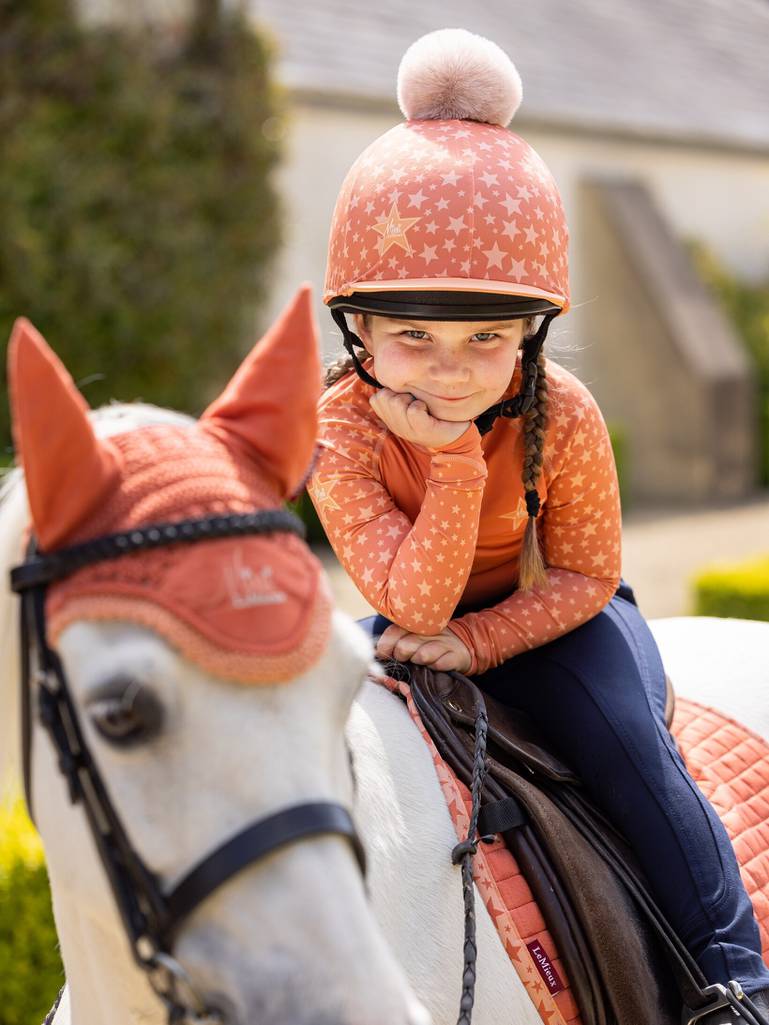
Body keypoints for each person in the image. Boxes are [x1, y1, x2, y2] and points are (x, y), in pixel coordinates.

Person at [307, 27, 769, 1023]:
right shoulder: (337, 428)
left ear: (530, 330)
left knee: (631, 754)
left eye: (487, 338)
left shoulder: (562, 411)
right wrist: (451, 463)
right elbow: (408, 598)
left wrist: (471, 615)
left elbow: (587, 574)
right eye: (413, 337)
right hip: (405, 618)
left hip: (554, 620)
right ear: (361, 333)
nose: (449, 368)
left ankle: (735, 974)